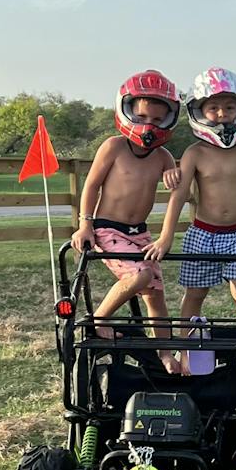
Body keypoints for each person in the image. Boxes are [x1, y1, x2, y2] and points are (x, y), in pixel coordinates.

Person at [145, 67, 236, 383]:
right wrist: (165, 237)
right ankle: (184, 349)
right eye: (213, 108)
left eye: (229, 107)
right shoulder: (194, 153)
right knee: (194, 294)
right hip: (203, 232)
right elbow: (178, 197)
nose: (222, 114)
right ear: (200, 112)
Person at [70, 69, 182, 368]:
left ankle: (165, 353)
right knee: (140, 276)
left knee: (155, 296)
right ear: (127, 110)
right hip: (108, 228)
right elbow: (91, 185)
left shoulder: (163, 157)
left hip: (140, 233)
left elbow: (178, 189)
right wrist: (85, 224)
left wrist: (174, 176)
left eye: (157, 120)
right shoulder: (114, 147)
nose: (150, 127)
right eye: (143, 117)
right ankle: (99, 318)